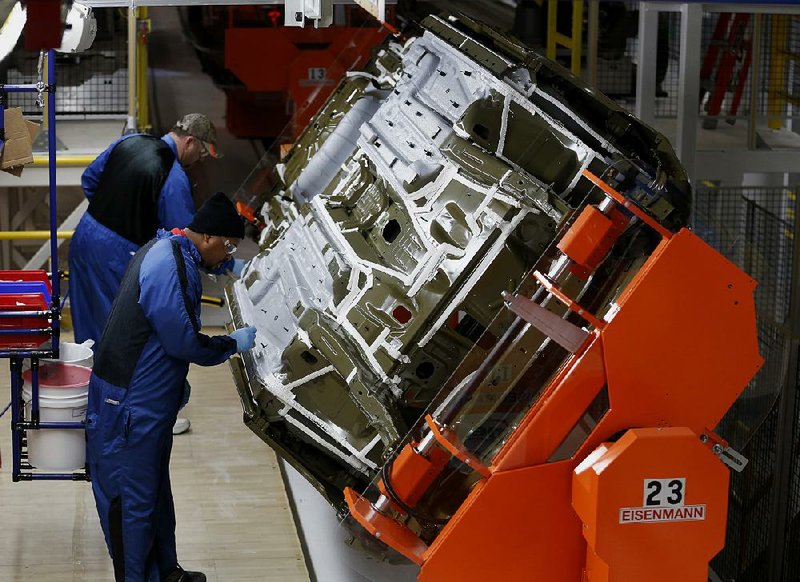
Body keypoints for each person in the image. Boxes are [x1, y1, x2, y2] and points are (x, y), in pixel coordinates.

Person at [85, 192, 257, 582]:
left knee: (155, 495)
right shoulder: (167, 263)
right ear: (209, 237)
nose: (226, 254)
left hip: (146, 406)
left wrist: (228, 265)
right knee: (132, 504)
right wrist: (231, 343)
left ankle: (166, 572)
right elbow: (183, 341)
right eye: (227, 246)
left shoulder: (172, 248)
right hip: (128, 407)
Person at [69, 113, 239, 434]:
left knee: (89, 322)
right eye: (201, 153)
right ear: (189, 142)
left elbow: (90, 180)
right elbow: (189, 238)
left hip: (86, 235)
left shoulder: (129, 142)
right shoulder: (172, 177)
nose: (199, 160)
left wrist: (116, 210)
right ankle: (132, 413)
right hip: (118, 252)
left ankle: (88, 404)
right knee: (124, 332)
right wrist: (226, 264)